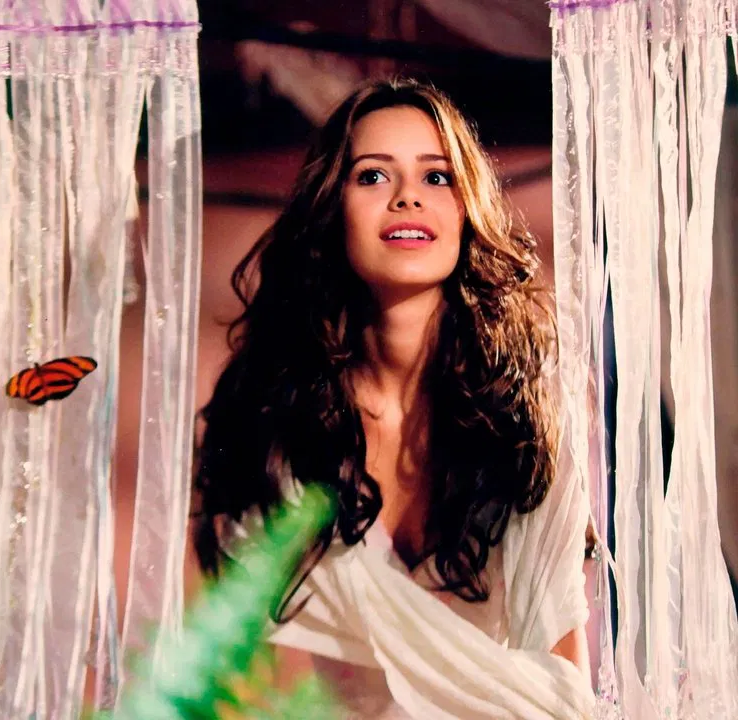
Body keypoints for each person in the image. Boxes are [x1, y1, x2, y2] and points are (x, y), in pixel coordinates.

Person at [191, 79, 595, 718]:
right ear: (333, 209)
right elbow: (241, 662)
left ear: (466, 208)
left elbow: (561, 667)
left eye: (436, 177)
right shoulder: (277, 422)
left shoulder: (525, 412)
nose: (408, 196)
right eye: (374, 176)